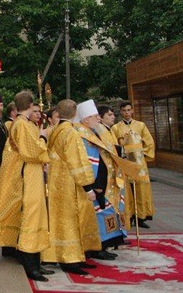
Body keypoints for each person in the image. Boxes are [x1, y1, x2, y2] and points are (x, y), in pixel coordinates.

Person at [0, 90, 51, 282]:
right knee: (30, 218)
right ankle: (30, 265)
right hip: (26, 176)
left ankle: (36, 261)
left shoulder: (24, 124)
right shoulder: (21, 125)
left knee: (36, 216)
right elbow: (31, 152)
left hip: (32, 174)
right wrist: (43, 137)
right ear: (29, 105)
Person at [41, 99, 101, 276]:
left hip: (56, 182)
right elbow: (78, 162)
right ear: (75, 114)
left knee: (60, 221)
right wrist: (88, 187)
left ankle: (68, 256)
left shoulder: (56, 130)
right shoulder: (71, 133)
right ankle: (71, 259)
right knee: (71, 221)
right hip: (70, 183)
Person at [76, 100, 124, 259]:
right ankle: (97, 248)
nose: (98, 118)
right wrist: (95, 184)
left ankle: (103, 245)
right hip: (94, 182)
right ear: (86, 119)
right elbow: (87, 161)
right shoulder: (82, 135)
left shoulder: (96, 131)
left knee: (105, 213)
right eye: (95, 116)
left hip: (105, 180)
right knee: (99, 215)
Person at [111, 101, 155, 228]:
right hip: (125, 162)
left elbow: (149, 143)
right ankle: (128, 216)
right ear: (121, 112)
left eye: (128, 110)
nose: (127, 113)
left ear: (132, 111)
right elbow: (114, 145)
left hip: (139, 163)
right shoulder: (116, 128)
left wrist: (142, 154)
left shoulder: (140, 125)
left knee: (141, 189)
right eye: (124, 110)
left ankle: (140, 217)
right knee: (127, 190)